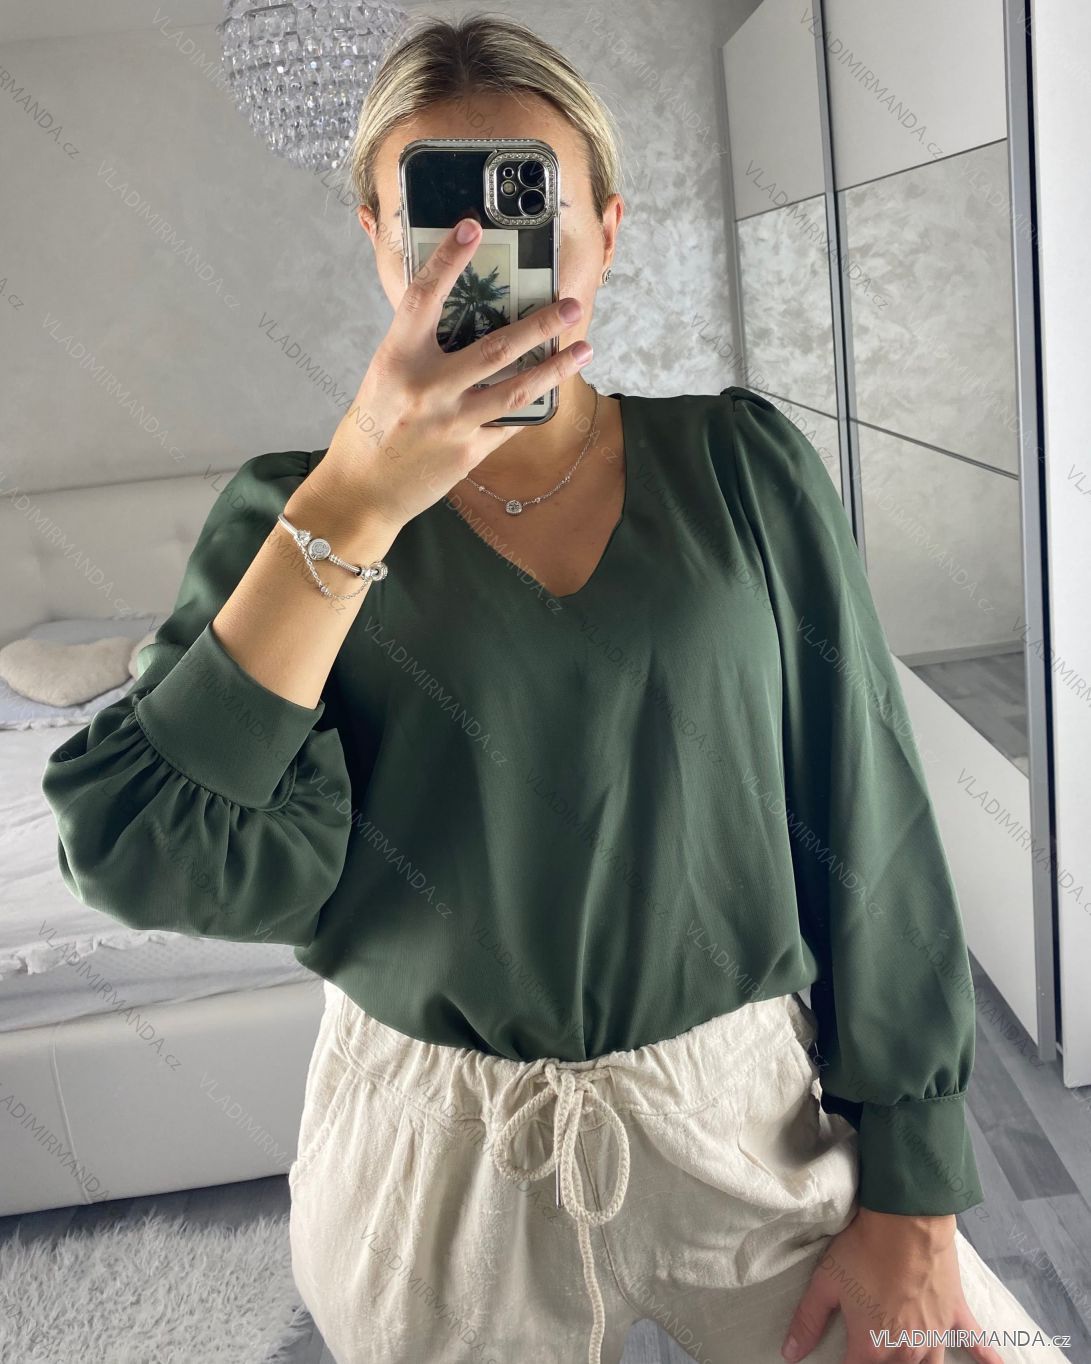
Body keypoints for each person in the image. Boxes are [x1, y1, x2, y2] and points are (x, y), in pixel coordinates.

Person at [41, 15, 1068, 1364]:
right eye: (438, 217)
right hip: (430, 1148)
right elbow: (140, 851)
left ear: (606, 230)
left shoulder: (744, 470)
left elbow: (868, 813)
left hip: (747, 1115)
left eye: (529, 206)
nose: (482, 254)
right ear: (377, 239)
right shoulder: (286, 520)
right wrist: (360, 498)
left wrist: (916, 1196)